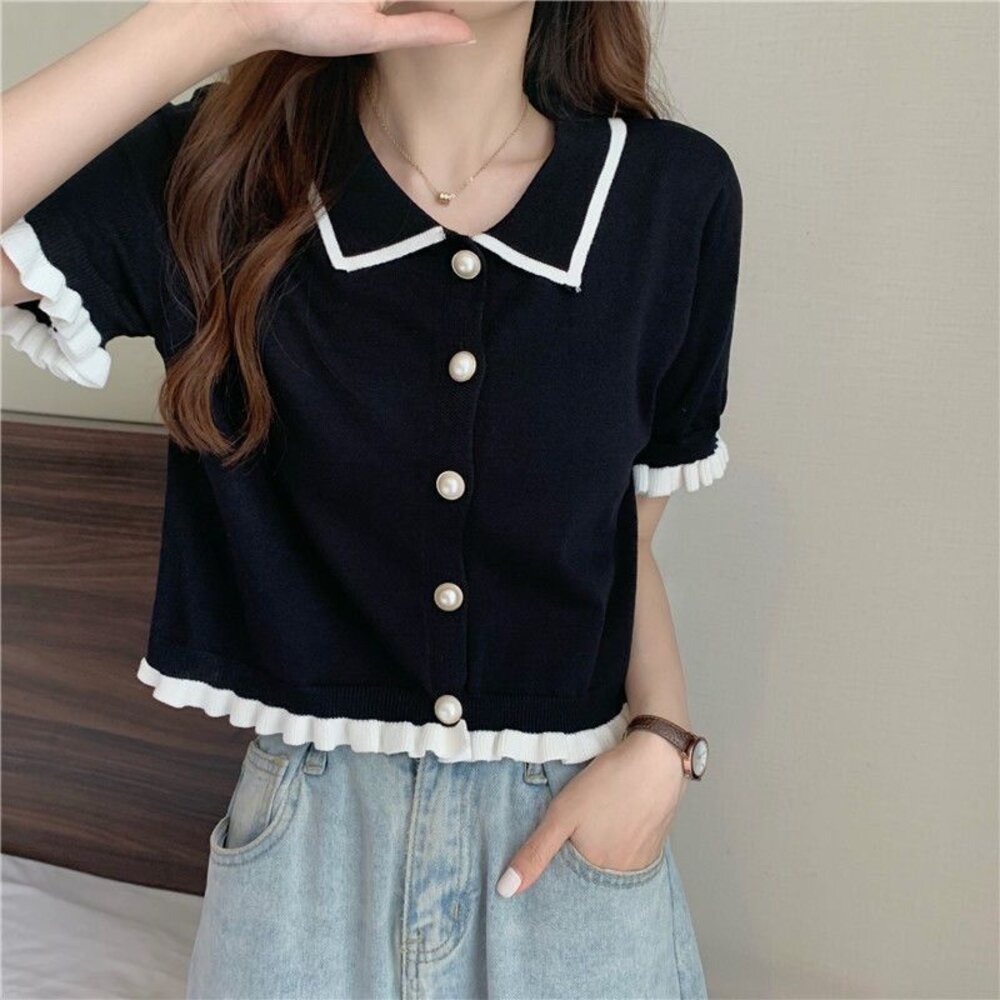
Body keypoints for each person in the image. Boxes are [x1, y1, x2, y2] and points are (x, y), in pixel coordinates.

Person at [0, 1, 742, 997]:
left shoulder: (669, 196)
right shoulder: (219, 175)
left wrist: (663, 742)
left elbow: (624, 537)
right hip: (303, 851)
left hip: (569, 834)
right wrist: (224, 19)